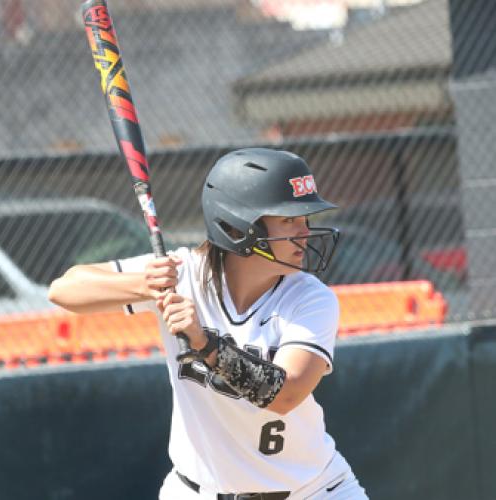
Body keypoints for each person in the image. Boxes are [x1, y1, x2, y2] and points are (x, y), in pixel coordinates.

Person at [48, 148, 368, 500]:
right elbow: (64, 289)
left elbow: (285, 394)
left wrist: (205, 344)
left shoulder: (310, 298)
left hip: (311, 490)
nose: (305, 232)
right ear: (238, 227)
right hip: (198, 491)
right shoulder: (185, 273)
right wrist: (144, 285)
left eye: (305, 219)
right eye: (289, 220)